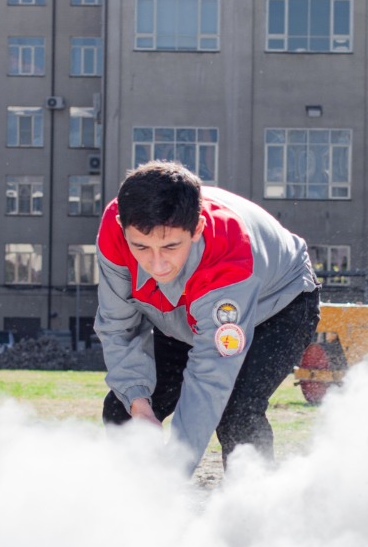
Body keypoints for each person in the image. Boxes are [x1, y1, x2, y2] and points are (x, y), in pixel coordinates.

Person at [95, 161, 320, 473]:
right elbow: (119, 328)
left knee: (236, 413)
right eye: (141, 247)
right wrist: (138, 402)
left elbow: (209, 379)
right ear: (123, 227)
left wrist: (173, 475)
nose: (157, 265)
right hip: (180, 317)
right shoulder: (114, 229)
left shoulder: (229, 254)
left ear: (197, 228)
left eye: (171, 246)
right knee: (123, 412)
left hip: (277, 307)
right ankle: (133, 503)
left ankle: (253, 511)